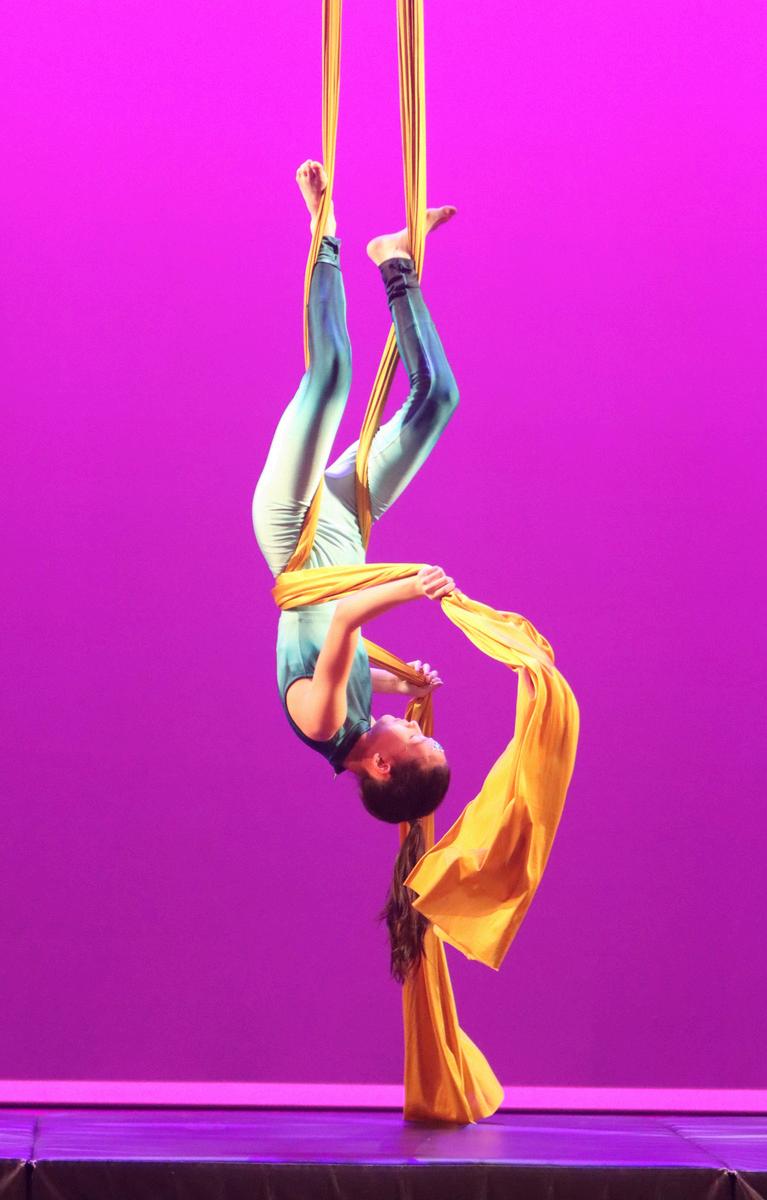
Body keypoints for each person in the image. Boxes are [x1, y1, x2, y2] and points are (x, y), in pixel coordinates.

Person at [252, 160, 460, 980]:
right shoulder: (359, 715)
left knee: (330, 377)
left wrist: (413, 586)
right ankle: (394, 260)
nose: (414, 724)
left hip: (296, 527)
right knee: (436, 401)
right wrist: (405, 673)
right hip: (347, 525)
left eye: (414, 739)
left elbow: (337, 621)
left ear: (379, 766)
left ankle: (325, 231)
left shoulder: (320, 723)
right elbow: (347, 648)